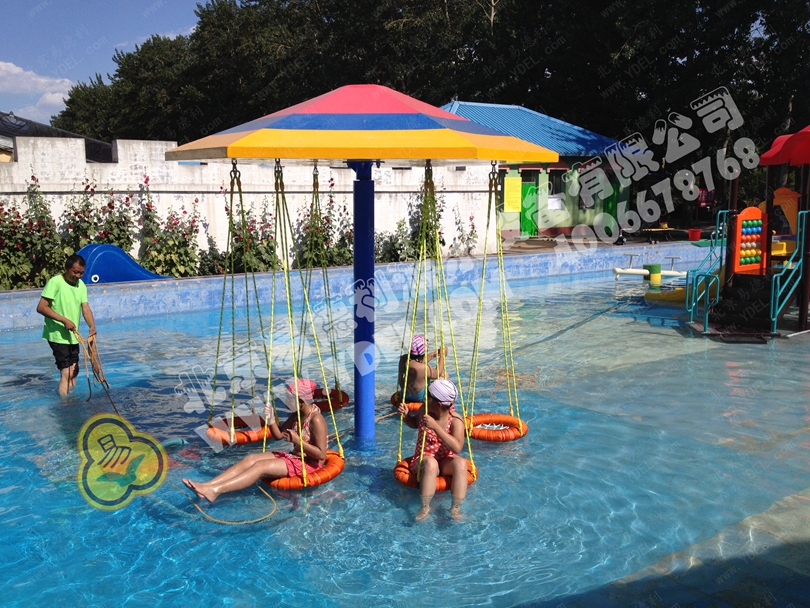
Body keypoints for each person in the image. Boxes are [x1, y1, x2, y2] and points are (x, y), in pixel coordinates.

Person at [183, 378, 328, 503]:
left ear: (301, 401)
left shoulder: (316, 419)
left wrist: (298, 440)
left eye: (288, 398)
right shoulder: (296, 414)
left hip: (309, 464)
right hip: (295, 457)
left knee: (259, 467)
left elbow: (321, 454)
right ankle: (207, 486)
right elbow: (279, 436)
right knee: (251, 458)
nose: (285, 401)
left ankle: (215, 490)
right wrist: (271, 419)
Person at [397, 379, 469, 522]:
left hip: (445, 460)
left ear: (438, 404)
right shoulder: (424, 410)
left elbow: (457, 447)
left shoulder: (455, 420)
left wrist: (435, 427)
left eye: (428, 396)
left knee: (461, 464)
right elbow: (414, 423)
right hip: (424, 459)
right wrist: (406, 417)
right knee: (431, 463)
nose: (425, 398)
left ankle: (455, 508)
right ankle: (425, 507)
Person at [36, 254, 96, 395]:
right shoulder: (55, 282)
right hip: (57, 335)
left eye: (81, 273)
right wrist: (64, 320)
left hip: (73, 336)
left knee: (74, 371)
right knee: (67, 372)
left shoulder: (81, 285)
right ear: (66, 269)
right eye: (75, 272)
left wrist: (92, 326)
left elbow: (85, 308)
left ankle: (70, 397)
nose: (78, 276)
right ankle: (64, 403)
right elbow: (41, 307)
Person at [397, 334, 446, 410]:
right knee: (444, 374)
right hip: (420, 398)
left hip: (405, 394)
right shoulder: (423, 368)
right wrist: (442, 356)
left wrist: (434, 354)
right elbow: (438, 373)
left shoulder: (404, 359)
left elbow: (419, 361)